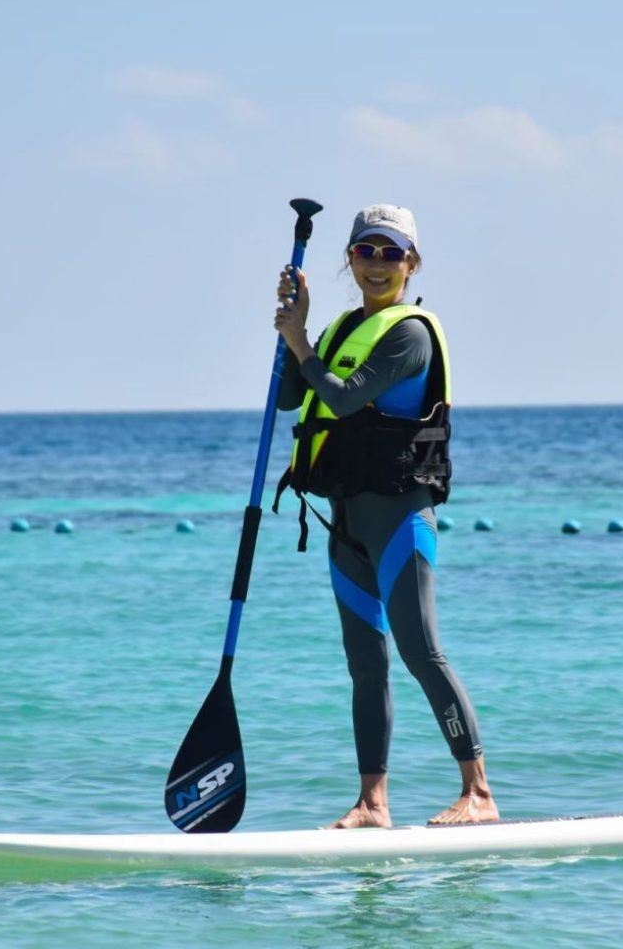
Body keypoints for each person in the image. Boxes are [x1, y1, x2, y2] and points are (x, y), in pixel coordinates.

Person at [272, 203, 498, 828]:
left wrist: (298, 342)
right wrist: (299, 331)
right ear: (349, 258)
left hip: (399, 517)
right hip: (346, 523)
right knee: (365, 663)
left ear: (411, 263)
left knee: (422, 651)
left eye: (391, 253)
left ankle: (478, 792)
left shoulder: (411, 334)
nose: (377, 264)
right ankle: (373, 802)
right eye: (365, 251)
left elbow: (342, 400)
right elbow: (295, 394)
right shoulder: (344, 329)